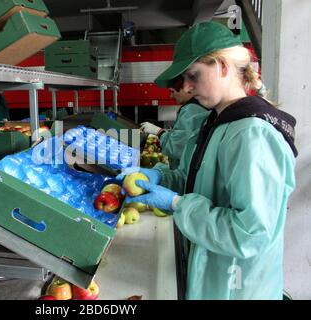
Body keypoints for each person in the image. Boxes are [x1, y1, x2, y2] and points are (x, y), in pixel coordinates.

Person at [117, 22, 297, 300]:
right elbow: (196, 180)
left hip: (237, 287)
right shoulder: (218, 122)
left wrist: (177, 204)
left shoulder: (252, 134)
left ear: (222, 66)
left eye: (193, 75)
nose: (187, 87)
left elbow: (249, 233)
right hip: (213, 276)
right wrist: (160, 178)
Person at [140, 77, 210, 169]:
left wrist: (158, 132)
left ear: (186, 89)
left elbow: (176, 147)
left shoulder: (191, 111)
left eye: (172, 91)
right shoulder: (198, 107)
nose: (171, 96)